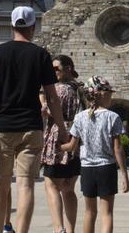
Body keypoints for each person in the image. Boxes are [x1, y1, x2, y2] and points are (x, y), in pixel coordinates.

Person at [0, 6, 69, 233]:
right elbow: (52, 98)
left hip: (2, 126)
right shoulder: (41, 55)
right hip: (31, 127)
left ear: (12, 26)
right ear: (33, 27)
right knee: (26, 185)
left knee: (0, 184)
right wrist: (61, 128)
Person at [60, 76, 129, 233]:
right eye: (109, 93)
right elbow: (117, 149)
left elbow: (71, 146)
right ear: (101, 94)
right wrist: (124, 174)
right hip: (106, 168)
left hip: (87, 169)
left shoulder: (79, 117)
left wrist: (57, 147)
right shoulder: (113, 117)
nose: (111, 96)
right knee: (107, 213)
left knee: (89, 212)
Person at [40, 55, 82, 233]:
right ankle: (70, 229)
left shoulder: (59, 90)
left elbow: (47, 111)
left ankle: (59, 229)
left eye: (56, 68)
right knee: (69, 188)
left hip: (58, 138)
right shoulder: (79, 90)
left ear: (68, 69)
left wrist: (42, 101)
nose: (53, 71)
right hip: (76, 140)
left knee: (51, 184)